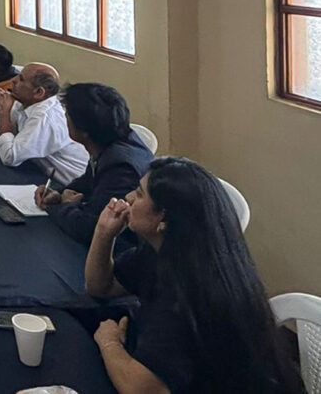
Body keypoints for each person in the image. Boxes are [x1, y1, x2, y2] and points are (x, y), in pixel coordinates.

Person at [86, 158, 305, 394]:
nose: (128, 198)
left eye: (139, 194)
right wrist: (104, 233)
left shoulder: (189, 291)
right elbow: (102, 287)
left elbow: (144, 389)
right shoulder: (168, 251)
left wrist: (109, 342)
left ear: (163, 220)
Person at [35, 83, 153, 245]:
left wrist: (59, 207)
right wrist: (57, 194)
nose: (65, 119)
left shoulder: (121, 167)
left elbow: (91, 228)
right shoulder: (111, 141)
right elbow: (88, 182)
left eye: (67, 115)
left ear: (84, 130)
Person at [0, 63, 89, 184]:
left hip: (67, 184)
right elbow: (1, 136)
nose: (13, 80)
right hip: (36, 169)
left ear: (39, 92)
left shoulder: (45, 117)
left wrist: (4, 112)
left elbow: (10, 157)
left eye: (21, 79)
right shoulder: (25, 102)